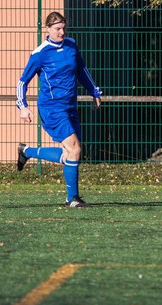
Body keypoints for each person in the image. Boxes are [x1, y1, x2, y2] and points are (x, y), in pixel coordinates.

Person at [15, 11, 102, 208]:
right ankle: (73, 199)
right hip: (52, 109)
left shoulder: (71, 45)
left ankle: (27, 151)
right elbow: (22, 82)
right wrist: (23, 107)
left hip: (70, 106)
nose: (61, 32)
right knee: (75, 149)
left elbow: (81, 70)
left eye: (63, 28)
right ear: (47, 30)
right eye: (57, 29)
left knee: (69, 154)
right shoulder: (40, 54)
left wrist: (94, 91)